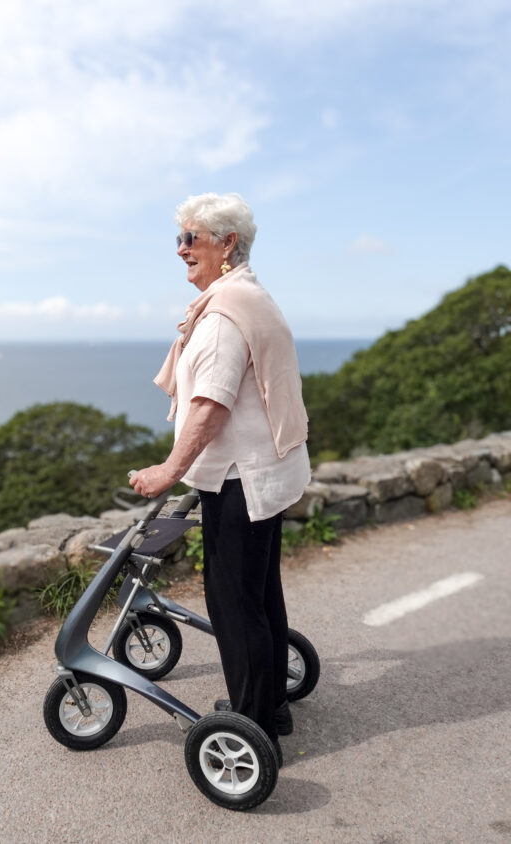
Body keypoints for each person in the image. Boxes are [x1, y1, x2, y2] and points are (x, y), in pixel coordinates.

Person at [128, 192, 311, 763]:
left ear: (227, 243)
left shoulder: (226, 313)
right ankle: (271, 706)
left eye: (191, 238)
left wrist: (167, 471)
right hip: (266, 469)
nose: (180, 249)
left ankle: (252, 722)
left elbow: (210, 406)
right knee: (260, 594)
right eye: (178, 238)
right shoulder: (249, 296)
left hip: (239, 478)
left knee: (233, 602)